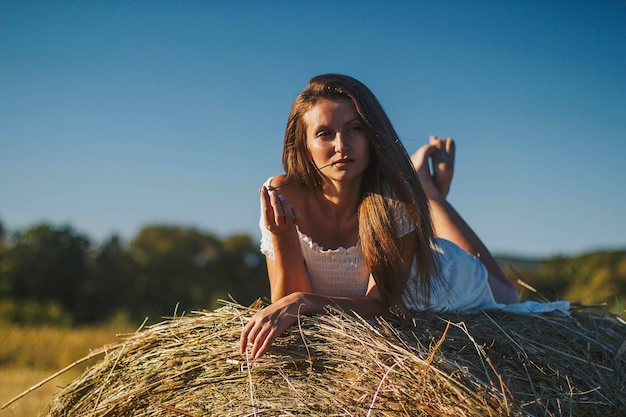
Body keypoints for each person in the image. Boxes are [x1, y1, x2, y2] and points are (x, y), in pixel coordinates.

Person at [240, 74, 519, 359]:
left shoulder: (394, 204)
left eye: (354, 128)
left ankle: (429, 194)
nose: (341, 145)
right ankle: (426, 191)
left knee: (510, 298)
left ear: (372, 136)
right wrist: (284, 236)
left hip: (437, 280)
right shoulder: (281, 194)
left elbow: (383, 307)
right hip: (402, 247)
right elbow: (289, 307)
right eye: (325, 133)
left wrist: (305, 301)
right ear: (303, 143)